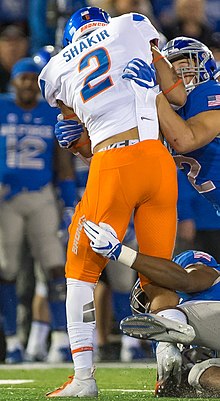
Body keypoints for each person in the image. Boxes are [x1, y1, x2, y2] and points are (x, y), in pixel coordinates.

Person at [39, 6, 187, 398]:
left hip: (114, 162)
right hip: (157, 161)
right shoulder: (132, 24)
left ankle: (84, 379)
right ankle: (169, 370)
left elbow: (80, 131)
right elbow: (175, 91)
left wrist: (75, 138)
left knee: (79, 272)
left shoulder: (54, 67)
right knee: (158, 271)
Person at [83, 219, 220, 397]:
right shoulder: (174, 338)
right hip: (204, 335)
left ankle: (170, 323)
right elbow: (171, 390)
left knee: (174, 323)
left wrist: (120, 252)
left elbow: (186, 280)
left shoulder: (188, 269)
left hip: (197, 317)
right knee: (199, 375)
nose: (153, 305)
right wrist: (178, 379)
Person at [0, 57, 74, 363]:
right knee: (7, 270)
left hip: (42, 195)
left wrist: (68, 203)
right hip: (6, 199)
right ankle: (12, 340)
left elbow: (64, 163)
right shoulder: (2, 107)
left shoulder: (49, 112)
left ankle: (59, 339)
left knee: (55, 266)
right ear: (13, 81)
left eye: (33, 78)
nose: (28, 83)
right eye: (23, 78)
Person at [121, 36, 220, 214]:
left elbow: (185, 139)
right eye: (171, 71)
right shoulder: (168, 113)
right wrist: (80, 146)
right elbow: (126, 163)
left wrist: (154, 94)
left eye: (183, 67)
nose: (178, 76)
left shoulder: (210, 91)